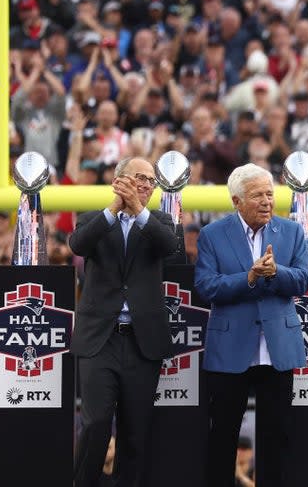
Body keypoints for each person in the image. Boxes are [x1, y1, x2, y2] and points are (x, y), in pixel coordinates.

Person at [194, 163, 308, 487]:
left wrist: (276, 273)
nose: (267, 201)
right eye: (258, 195)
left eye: (270, 194)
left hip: (277, 349)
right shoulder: (212, 235)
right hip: (231, 350)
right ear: (236, 200)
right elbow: (206, 286)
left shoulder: (292, 232)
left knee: (278, 436)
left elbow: (303, 280)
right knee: (222, 436)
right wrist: (248, 277)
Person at [69, 157, 181, 487]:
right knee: (96, 423)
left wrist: (138, 211)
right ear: (119, 181)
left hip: (141, 340)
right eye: (139, 179)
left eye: (151, 181)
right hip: (99, 340)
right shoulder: (92, 219)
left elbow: (170, 247)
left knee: (135, 429)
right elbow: (78, 244)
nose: (146, 185)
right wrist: (115, 207)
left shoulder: (159, 221)